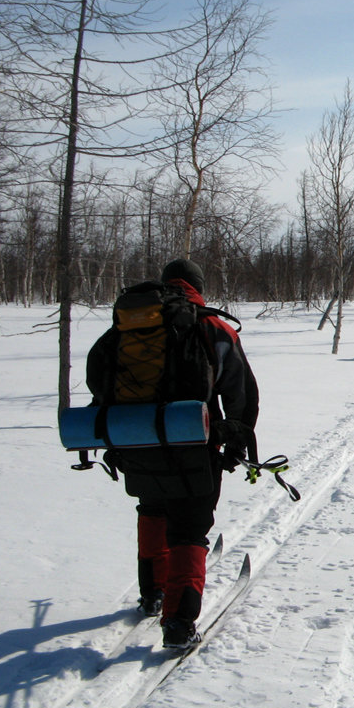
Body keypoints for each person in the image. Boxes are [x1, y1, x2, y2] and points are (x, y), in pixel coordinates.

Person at [86, 259, 259, 650]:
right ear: (198, 286)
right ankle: (179, 624)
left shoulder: (125, 328)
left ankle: (152, 594)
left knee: (152, 510)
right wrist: (237, 440)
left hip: (136, 442)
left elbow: (99, 381)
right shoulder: (212, 327)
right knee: (188, 528)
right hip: (193, 444)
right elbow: (241, 392)